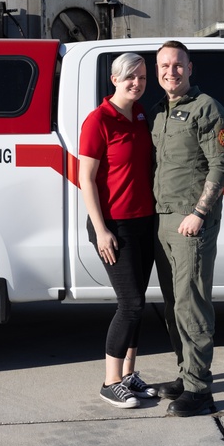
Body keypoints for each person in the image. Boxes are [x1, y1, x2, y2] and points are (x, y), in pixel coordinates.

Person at [150, 40, 224, 417]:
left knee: (192, 304)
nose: (171, 71)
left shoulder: (207, 109)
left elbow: (222, 165)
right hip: (163, 220)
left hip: (190, 222)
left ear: (190, 67)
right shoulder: (158, 113)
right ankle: (186, 375)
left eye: (178, 65)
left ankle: (200, 390)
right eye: (164, 66)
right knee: (173, 305)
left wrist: (199, 213)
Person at [79, 53, 158, 409]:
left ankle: (128, 374)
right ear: (114, 79)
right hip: (114, 225)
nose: (136, 83)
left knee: (139, 305)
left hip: (144, 221)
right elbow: (86, 179)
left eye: (141, 77)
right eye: (129, 77)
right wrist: (101, 231)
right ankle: (110, 381)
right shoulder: (99, 121)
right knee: (130, 303)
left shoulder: (140, 116)